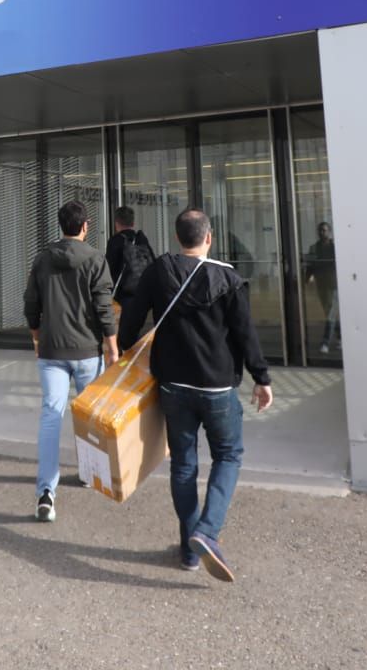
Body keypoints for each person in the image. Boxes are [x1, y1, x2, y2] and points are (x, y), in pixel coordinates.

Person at [120, 208, 272, 581]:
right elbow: (244, 334)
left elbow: (132, 316)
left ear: (178, 237)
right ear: (209, 237)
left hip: (173, 385)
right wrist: (261, 376)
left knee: (184, 464)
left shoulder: (159, 271)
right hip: (219, 386)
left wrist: (125, 350)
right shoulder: (229, 278)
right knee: (229, 455)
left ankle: (190, 549)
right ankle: (208, 530)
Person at [23, 200, 118, 524]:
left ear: (60, 225)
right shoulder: (95, 259)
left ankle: (46, 492)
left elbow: (31, 303)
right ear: (85, 226)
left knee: (51, 415)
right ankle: (88, 472)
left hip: (51, 351)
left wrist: (37, 336)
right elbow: (104, 307)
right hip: (88, 352)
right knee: (89, 415)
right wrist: (113, 347)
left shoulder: (42, 259)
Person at [105, 205, 155, 310]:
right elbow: (152, 262)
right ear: (132, 223)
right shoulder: (141, 239)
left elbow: (109, 268)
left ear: (116, 224)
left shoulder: (115, 241)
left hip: (123, 295)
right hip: (143, 292)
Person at [304, 221, 339, 354]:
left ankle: (325, 342)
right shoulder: (314, 248)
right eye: (320, 230)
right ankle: (340, 336)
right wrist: (307, 278)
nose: (322, 233)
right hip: (322, 284)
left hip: (334, 283)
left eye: (325, 230)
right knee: (329, 312)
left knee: (330, 313)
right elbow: (310, 265)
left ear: (329, 232)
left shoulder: (334, 247)